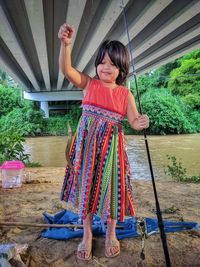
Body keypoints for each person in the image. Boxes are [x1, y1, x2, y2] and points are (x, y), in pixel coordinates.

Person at [58, 23, 149, 261]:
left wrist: (141, 122)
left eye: (112, 63)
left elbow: (133, 121)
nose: (106, 67)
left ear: (121, 68)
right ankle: (86, 235)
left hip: (112, 150)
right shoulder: (89, 84)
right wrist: (66, 45)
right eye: (102, 62)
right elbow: (67, 70)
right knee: (86, 188)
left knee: (112, 190)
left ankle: (110, 233)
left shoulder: (125, 94)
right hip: (86, 148)